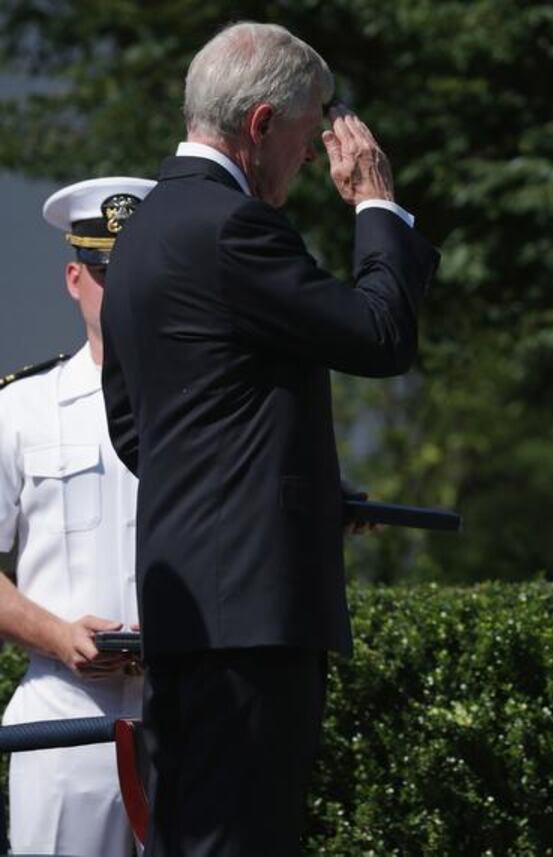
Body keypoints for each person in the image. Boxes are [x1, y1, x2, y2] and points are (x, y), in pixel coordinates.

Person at [99, 21, 440, 855]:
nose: (315, 154)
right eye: (308, 131)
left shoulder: (138, 233)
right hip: (252, 618)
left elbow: (139, 430)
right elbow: (379, 333)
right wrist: (375, 203)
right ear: (260, 125)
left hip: (187, 613)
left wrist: (291, 491)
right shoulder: (234, 227)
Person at [0, 176, 154, 857]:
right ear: (73, 279)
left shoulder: (209, 409)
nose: (119, 294)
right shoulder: (19, 409)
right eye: (103, 275)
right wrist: (59, 636)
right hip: (63, 717)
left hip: (182, 711)